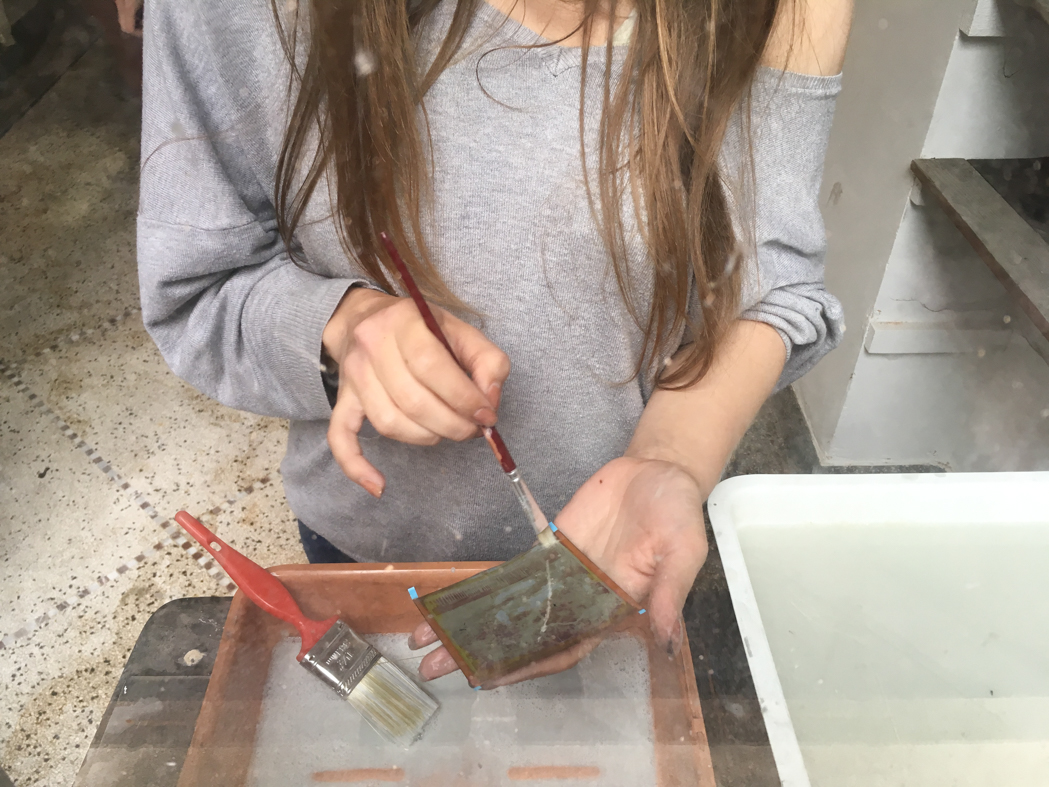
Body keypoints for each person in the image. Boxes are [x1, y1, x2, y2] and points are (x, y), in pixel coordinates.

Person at [137, 0, 852, 685]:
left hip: (621, 561)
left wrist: (668, 460)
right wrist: (341, 326)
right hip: (367, 550)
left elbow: (768, 285)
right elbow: (200, 290)